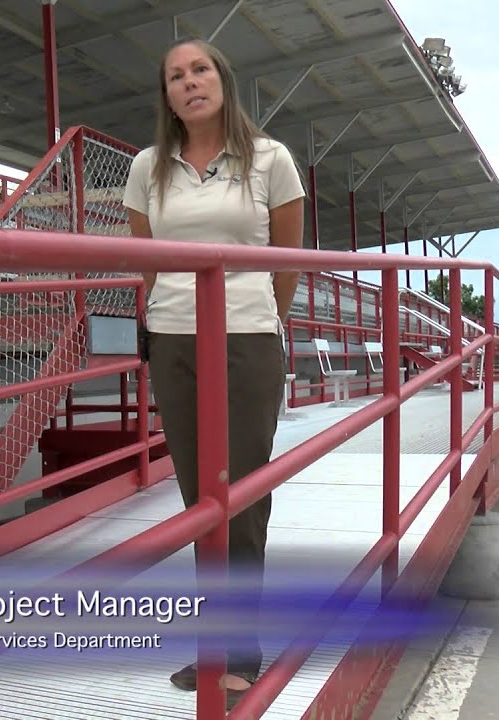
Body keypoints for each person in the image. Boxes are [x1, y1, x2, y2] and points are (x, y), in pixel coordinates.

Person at [122, 37, 305, 708]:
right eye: (176, 75)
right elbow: (148, 258)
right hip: (173, 340)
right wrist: (170, 309)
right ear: (166, 94)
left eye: (200, 69)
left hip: (248, 340)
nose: (189, 82)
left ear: (223, 80)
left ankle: (242, 647)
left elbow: (289, 259)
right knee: (199, 496)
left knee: (245, 495)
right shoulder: (149, 167)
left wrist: (258, 314)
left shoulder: (270, 160)